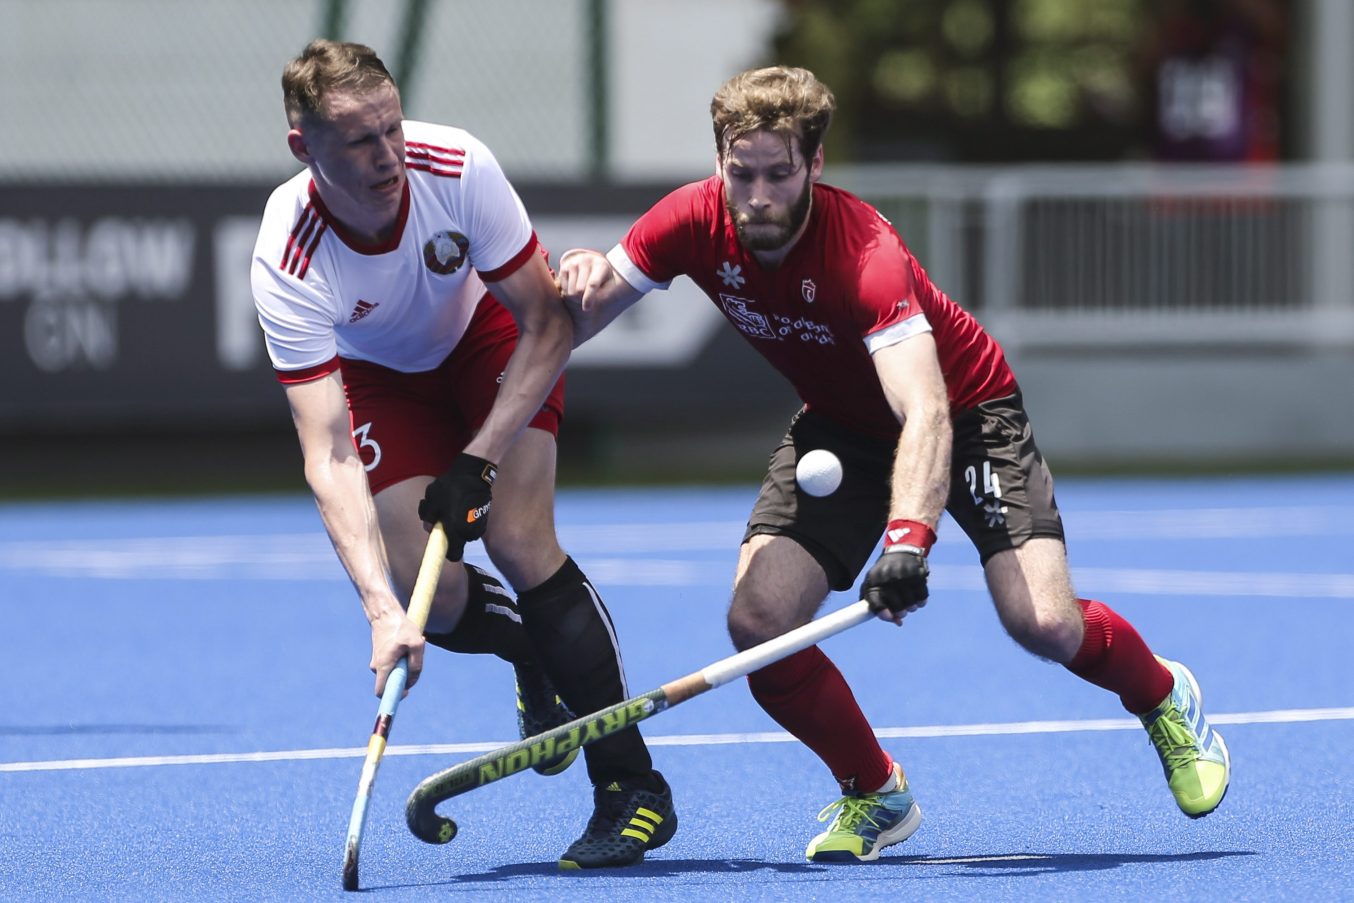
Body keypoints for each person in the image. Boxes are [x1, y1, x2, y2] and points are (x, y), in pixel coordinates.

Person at [557, 65, 1229, 863]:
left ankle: (1162, 693)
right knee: (759, 625)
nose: (759, 196)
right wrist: (575, 272)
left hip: (968, 412)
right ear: (719, 164)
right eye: (742, 174)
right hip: (842, 426)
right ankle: (875, 793)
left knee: (1044, 623)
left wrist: (908, 539)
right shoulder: (690, 221)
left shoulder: (865, 253)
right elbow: (573, 316)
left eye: (780, 174)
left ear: (816, 164)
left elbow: (927, 410)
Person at [248, 39, 675, 870]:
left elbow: (549, 320)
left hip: (494, 340)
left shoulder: (455, 166)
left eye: (392, 128)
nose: (387, 157)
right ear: (305, 148)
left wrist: (478, 457)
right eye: (359, 142)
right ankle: (531, 653)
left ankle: (632, 788)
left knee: (517, 537)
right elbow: (328, 450)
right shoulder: (286, 251)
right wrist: (379, 611)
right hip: (380, 379)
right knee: (425, 593)